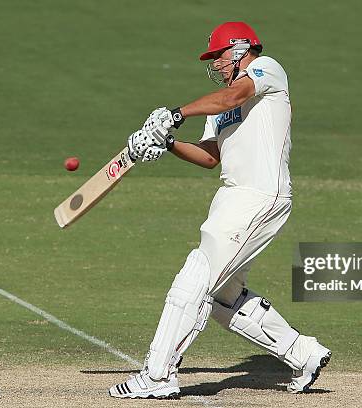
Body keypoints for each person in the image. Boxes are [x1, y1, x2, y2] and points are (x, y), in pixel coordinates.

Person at [109, 21, 331, 400]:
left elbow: (232, 98)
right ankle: (303, 353)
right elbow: (210, 156)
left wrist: (176, 113)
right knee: (225, 297)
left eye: (219, 56)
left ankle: (157, 376)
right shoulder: (221, 103)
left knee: (195, 278)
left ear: (241, 48)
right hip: (232, 197)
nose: (216, 64)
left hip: (258, 195)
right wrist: (168, 142)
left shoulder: (267, 70)